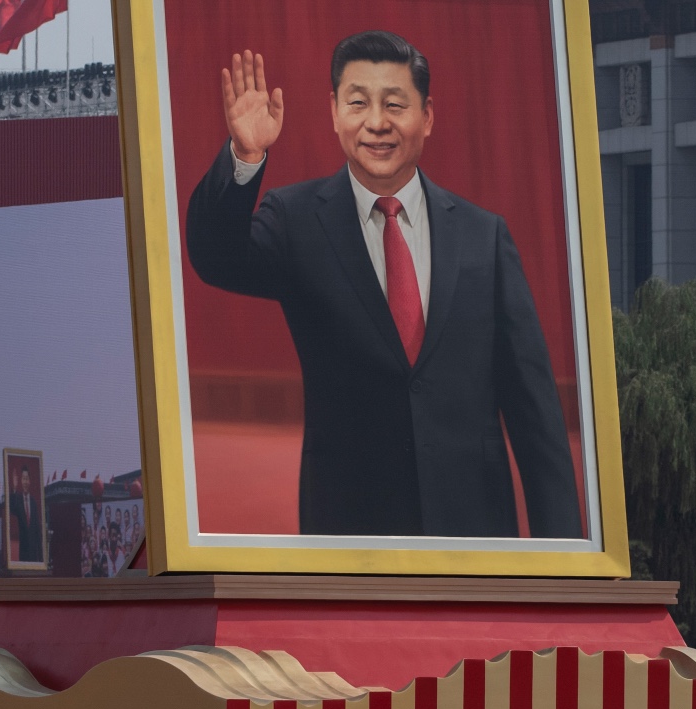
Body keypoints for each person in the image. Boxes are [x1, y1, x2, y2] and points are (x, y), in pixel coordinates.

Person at [185, 32, 582, 539]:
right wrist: (245, 155)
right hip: (350, 533)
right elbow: (215, 259)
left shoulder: (484, 237)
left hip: (475, 533)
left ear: (427, 116)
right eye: (357, 103)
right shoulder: (296, 221)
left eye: (395, 104)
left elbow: (536, 415)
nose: (376, 122)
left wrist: (566, 559)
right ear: (334, 112)